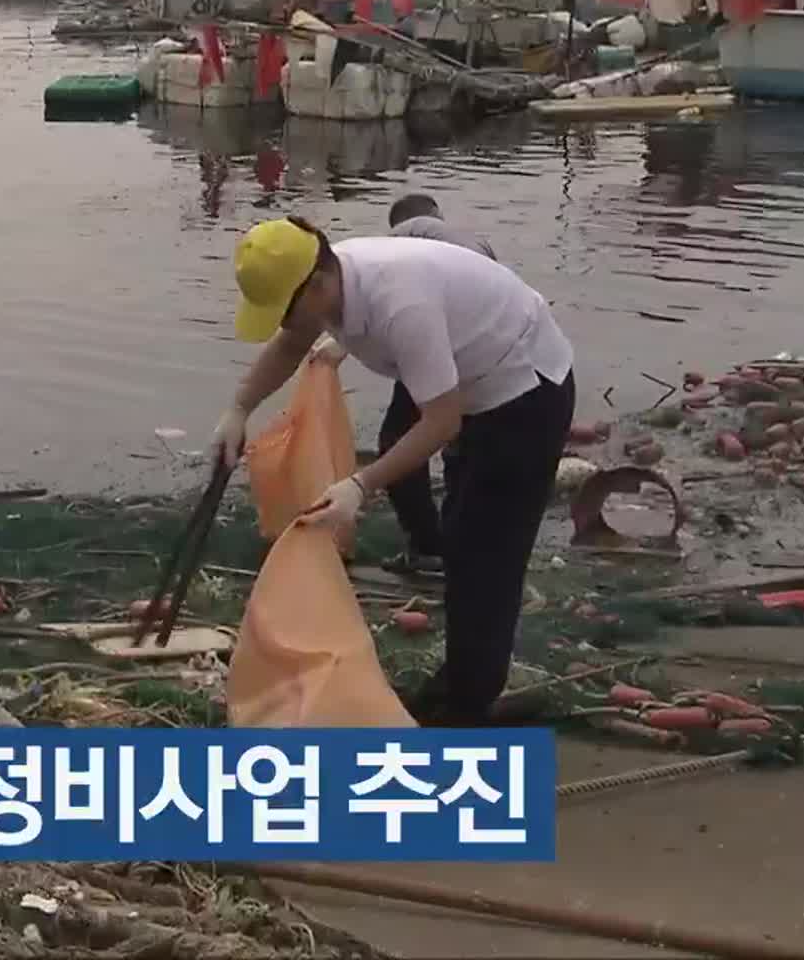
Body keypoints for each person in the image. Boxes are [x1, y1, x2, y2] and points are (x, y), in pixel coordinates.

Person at [210, 216, 574, 726]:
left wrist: (361, 484)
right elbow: (292, 343)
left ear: (316, 283)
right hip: (471, 384)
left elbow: (441, 422)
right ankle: (464, 682)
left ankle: (467, 710)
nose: (281, 324)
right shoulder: (331, 283)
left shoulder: (400, 304)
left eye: (283, 311)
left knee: (486, 554)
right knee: (463, 538)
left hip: (525, 391)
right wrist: (239, 410)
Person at [376, 193, 498, 578]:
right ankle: (462, 547)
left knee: (399, 442)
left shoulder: (407, 237)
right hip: (493, 350)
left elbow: (390, 297)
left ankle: (429, 549)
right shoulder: (473, 242)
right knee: (460, 448)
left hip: (441, 343)